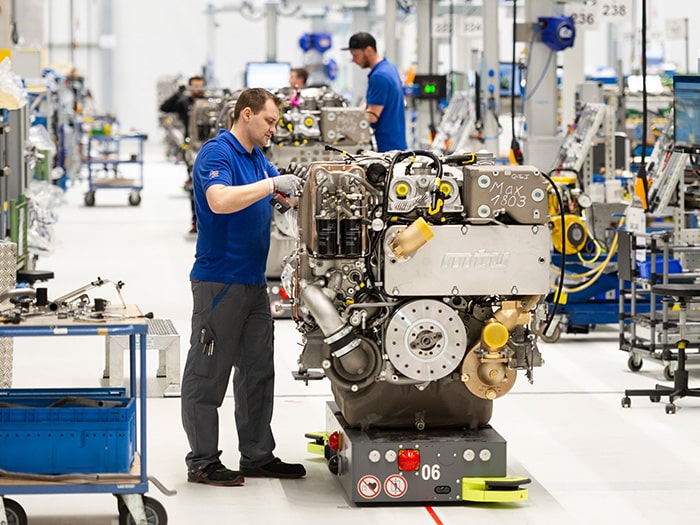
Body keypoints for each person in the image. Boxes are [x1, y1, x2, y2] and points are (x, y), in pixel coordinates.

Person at [181, 87, 306, 487]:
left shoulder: (257, 159)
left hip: (253, 283)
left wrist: (295, 189)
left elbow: (281, 196)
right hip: (220, 281)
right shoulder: (218, 154)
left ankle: (256, 455)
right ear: (246, 114)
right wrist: (272, 186)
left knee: (257, 373)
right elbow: (219, 200)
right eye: (269, 121)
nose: (274, 128)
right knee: (208, 374)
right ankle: (202, 460)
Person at [343, 32, 408, 152]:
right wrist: (356, 111)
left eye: (356, 55)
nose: (354, 60)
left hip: (386, 148)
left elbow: (372, 116)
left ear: (368, 50)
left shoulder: (379, 77)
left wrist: (344, 123)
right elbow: (371, 104)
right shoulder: (389, 68)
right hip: (396, 142)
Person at [160, 75, 206, 234]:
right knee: (195, 187)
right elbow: (164, 107)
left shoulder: (210, 103)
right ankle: (196, 222)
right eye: (194, 87)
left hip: (209, 148)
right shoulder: (183, 103)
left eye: (200, 86)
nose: (198, 89)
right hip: (192, 148)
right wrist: (179, 94)